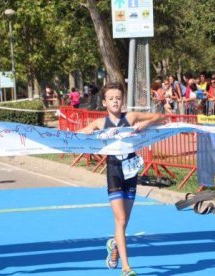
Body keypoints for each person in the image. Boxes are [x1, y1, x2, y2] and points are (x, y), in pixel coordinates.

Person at [79, 82, 165, 276]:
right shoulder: (100, 124)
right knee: (121, 219)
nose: (115, 101)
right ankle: (126, 268)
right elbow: (78, 136)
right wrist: (87, 134)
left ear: (122, 100)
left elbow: (162, 117)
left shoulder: (131, 117)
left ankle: (114, 245)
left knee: (124, 222)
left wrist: (146, 123)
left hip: (131, 171)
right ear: (104, 102)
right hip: (114, 172)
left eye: (118, 98)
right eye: (111, 98)